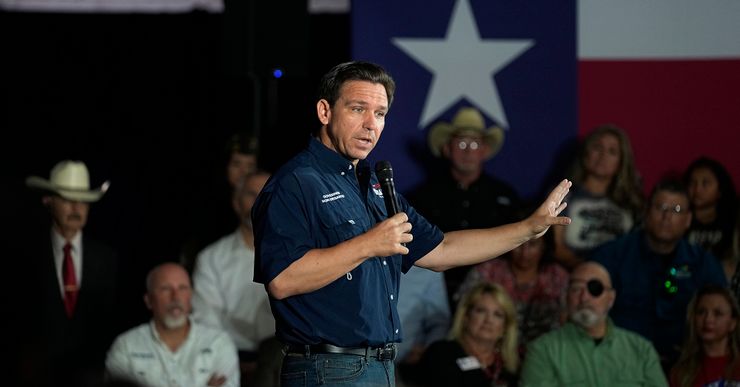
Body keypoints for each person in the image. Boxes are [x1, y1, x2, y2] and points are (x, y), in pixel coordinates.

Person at [252, 60, 572, 386]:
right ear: (325, 112)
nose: (370, 125)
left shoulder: (372, 185)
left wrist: (527, 228)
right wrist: (368, 244)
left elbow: (442, 249)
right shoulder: (295, 182)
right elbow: (282, 278)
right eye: (357, 109)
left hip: (380, 366)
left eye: (379, 114)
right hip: (329, 368)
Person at [592, 178, 728, 370]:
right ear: (646, 212)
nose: (667, 216)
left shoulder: (703, 264)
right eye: (660, 207)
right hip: (618, 364)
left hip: (683, 366)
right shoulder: (613, 255)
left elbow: (723, 316)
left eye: (677, 210)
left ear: (688, 219)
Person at [19, 160, 120, 386]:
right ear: (48, 201)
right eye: (67, 199)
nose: (76, 207)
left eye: (83, 201)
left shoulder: (107, 259)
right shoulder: (25, 257)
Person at [408, 106, 520, 305]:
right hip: (433, 294)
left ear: (485, 150)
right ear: (447, 148)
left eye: (475, 144)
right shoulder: (422, 198)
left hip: (492, 295)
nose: (468, 151)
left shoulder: (506, 197)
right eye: (461, 144)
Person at [191, 170, 278, 386]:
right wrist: (228, 361)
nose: (258, 201)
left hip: (281, 362)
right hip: (227, 363)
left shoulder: (298, 255)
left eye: (265, 194)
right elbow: (206, 320)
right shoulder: (212, 258)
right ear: (236, 202)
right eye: (251, 194)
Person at [520, 261, 667, 387]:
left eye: (595, 289)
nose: (584, 298)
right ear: (566, 297)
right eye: (576, 289)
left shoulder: (642, 350)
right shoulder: (542, 351)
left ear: (611, 298)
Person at [105, 262, 239, 387]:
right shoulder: (126, 346)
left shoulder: (219, 344)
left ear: (191, 296)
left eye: (182, 288)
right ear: (149, 300)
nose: (175, 297)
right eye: (165, 289)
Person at [455, 226, 568, 344]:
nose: (525, 253)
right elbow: (462, 312)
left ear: (544, 246)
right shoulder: (488, 271)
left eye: (533, 244)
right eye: (520, 244)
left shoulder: (557, 277)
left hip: (544, 351)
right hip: (489, 349)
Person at [552, 124, 644, 269]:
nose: (603, 156)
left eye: (612, 151)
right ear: (585, 152)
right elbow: (556, 247)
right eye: (597, 147)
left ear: (622, 161)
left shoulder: (632, 202)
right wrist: (591, 269)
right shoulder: (562, 195)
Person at [417, 283, 520, 387]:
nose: (489, 320)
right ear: (466, 317)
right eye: (481, 311)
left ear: (505, 327)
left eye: (498, 315)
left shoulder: (509, 368)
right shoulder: (441, 353)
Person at [669, 284, 740, 387]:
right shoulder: (680, 373)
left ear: (733, 323)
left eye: (717, 313)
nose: (708, 319)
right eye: (701, 312)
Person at [684, 156, 738, 280]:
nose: (697, 190)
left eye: (705, 183)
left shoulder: (732, 223)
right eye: (692, 183)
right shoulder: (678, 220)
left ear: (720, 190)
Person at [394, 266, 450, 385]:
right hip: (358, 358)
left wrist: (427, 351)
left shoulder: (427, 267)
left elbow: (439, 321)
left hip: (404, 365)